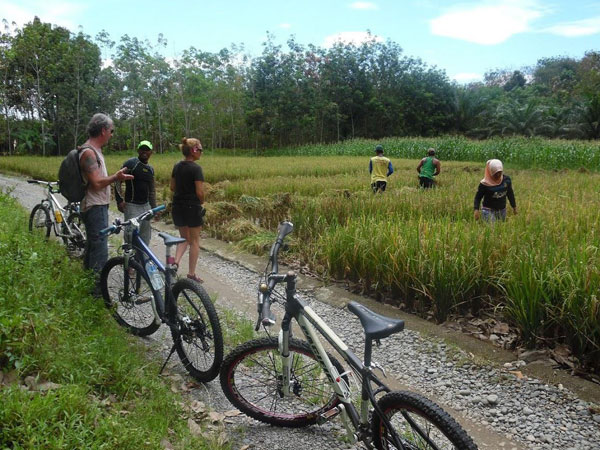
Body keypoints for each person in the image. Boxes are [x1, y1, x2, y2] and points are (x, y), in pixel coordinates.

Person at [79, 113, 133, 285]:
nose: (112, 134)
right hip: (94, 206)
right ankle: (97, 294)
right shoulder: (89, 152)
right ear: (103, 130)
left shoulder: (94, 151)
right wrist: (115, 178)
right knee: (100, 251)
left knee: (92, 246)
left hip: (96, 205)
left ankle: (88, 285)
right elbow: (95, 183)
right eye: (112, 130)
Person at [170, 137, 205, 283]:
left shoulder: (177, 166)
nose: (201, 153)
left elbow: (172, 187)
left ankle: (175, 262)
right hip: (192, 207)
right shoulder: (196, 169)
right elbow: (200, 192)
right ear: (194, 151)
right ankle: (191, 274)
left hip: (177, 206)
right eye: (200, 150)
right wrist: (202, 201)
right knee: (195, 241)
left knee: (184, 238)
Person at [114, 140, 157, 245]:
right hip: (132, 206)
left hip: (146, 206)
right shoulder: (131, 164)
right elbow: (117, 180)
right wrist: (119, 200)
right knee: (130, 236)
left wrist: (154, 208)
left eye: (147, 150)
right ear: (138, 150)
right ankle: (128, 260)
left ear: (151, 152)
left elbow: (152, 191)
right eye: (142, 149)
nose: (144, 152)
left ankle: (142, 260)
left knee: (145, 237)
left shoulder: (150, 170)